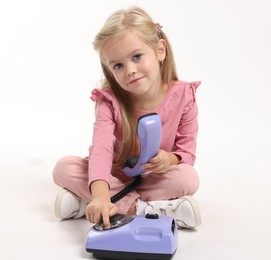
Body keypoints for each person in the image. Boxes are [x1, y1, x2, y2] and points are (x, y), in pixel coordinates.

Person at [53, 6, 201, 229]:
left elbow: (186, 153)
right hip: (112, 176)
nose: (130, 70)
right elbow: (101, 150)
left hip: (153, 178)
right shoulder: (109, 102)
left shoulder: (184, 95)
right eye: (118, 65)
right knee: (64, 168)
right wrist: (101, 194)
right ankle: (144, 208)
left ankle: (88, 204)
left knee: (187, 178)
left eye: (137, 56)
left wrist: (169, 160)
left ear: (160, 50)